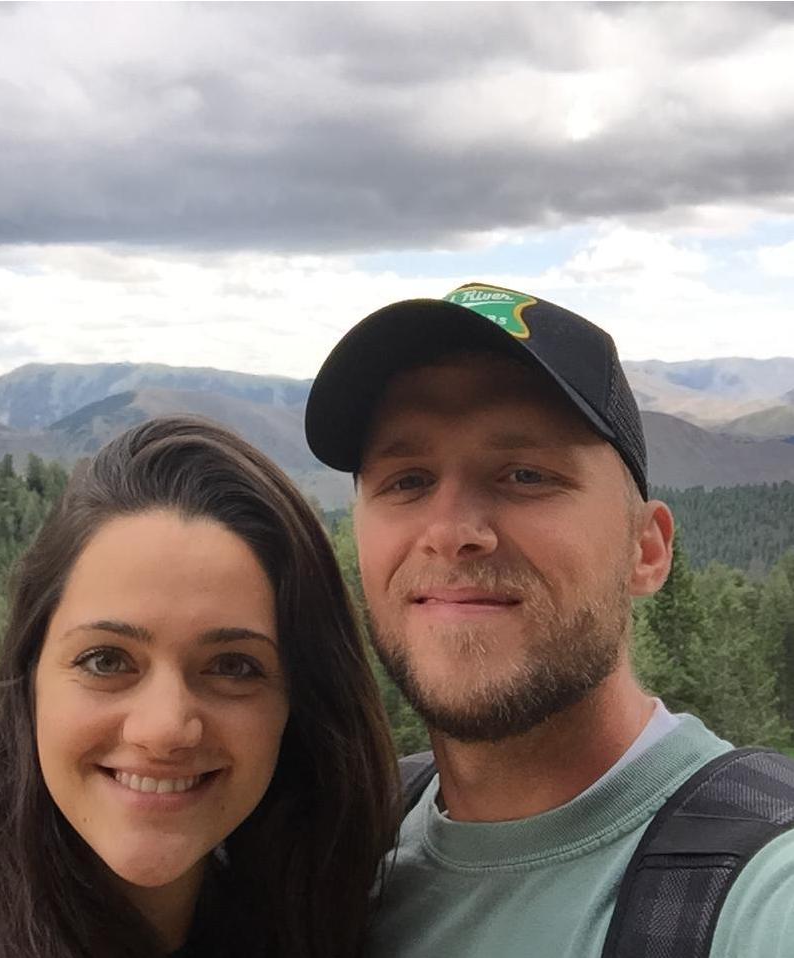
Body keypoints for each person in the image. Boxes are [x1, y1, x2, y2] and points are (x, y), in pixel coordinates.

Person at [305, 282, 794, 957]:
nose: (450, 531)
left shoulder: (761, 889)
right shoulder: (342, 858)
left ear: (646, 551)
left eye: (526, 474)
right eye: (407, 480)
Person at [0, 417, 400, 958]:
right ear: (30, 679)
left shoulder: (311, 920)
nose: (164, 729)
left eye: (233, 667)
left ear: (299, 705)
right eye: (106, 660)